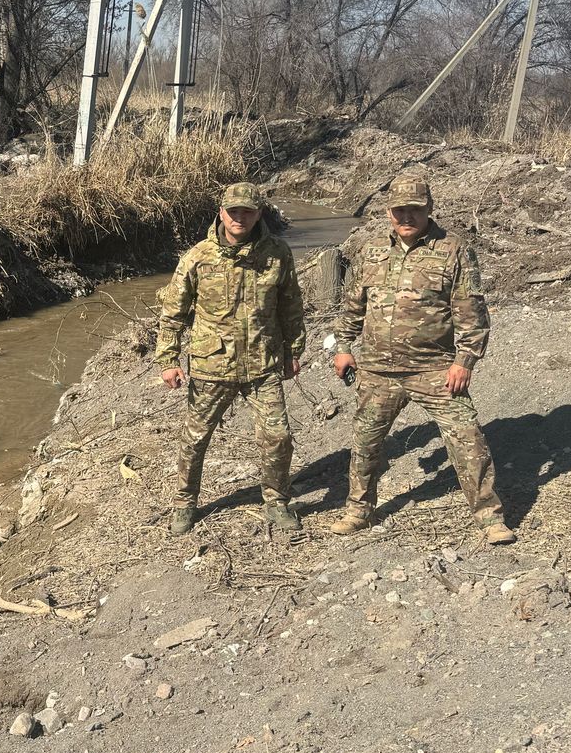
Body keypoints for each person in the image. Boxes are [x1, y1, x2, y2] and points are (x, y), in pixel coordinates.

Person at [330, 172, 515, 544]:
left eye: (415, 210)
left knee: (467, 438)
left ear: (429, 208)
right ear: (388, 211)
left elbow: (472, 312)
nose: (407, 217)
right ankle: (358, 510)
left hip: (435, 368)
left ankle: (490, 517)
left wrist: (465, 360)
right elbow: (352, 306)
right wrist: (343, 348)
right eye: (399, 210)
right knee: (366, 441)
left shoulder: (453, 249)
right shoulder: (371, 251)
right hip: (377, 369)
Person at [155, 182, 307, 537]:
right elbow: (173, 313)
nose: (240, 218)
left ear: (259, 214)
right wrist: (168, 359)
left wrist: (293, 352)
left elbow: (291, 306)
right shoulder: (197, 257)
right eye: (234, 211)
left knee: (278, 436)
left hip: (263, 362)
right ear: (221, 212)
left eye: (248, 212)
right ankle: (184, 504)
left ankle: (277, 502)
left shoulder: (277, 253)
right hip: (212, 366)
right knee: (195, 439)